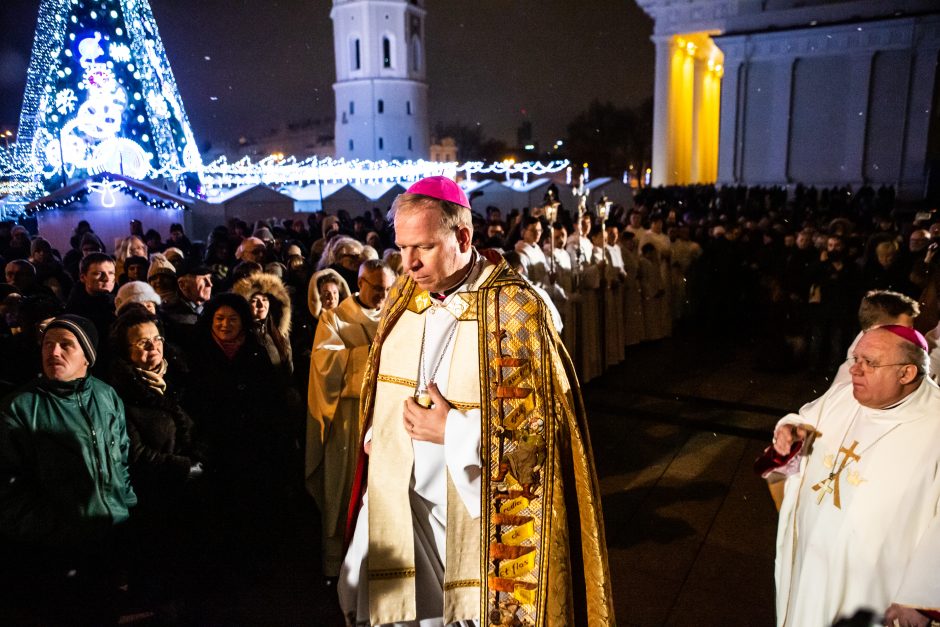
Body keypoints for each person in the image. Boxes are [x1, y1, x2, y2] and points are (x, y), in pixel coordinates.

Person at [339, 176, 613, 627]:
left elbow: (542, 440)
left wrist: (454, 433)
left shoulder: (517, 310)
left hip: (475, 525)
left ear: (463, 237)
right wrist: (378, 434)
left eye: (422, 248)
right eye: (401, 248)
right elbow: (389, 387)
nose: (407, 264)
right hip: (399, 510)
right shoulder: (405, 299)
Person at [770, 325, 940, 627]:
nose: (854, 371)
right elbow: (804, 418)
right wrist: (790, 430)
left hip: (875, 585)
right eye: (855, 359)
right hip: (812, 561)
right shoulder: (845, 396)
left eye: (869, 362)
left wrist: (922, 598)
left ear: (907, 374)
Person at [0, 314, 136, 623]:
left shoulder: (106, 395)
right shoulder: (18, 408)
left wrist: (124, 502)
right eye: (48, 344)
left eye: (66, 345)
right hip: (53, 550)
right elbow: (7, 488)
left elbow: (122, 454)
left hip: (108, 537)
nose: (54, 352)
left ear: (87, 357)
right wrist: (52, 528)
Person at [307, 259, 395, 581]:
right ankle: (340, 565)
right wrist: (370, 356)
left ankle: (380, 564)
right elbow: (324, 365)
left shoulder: (396, 315)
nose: (383, 296)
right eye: (376, 289)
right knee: (346, 490)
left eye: (388, 289)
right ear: (360, 284)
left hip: (386, 419)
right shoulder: (335, 319)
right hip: (348, 423)